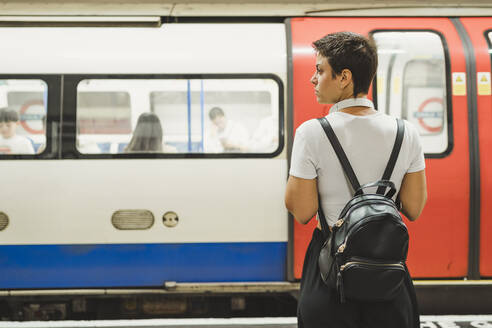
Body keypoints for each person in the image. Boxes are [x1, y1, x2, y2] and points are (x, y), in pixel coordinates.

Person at [284, 32, 427, 328]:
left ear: (344, 77)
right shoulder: (405, 132)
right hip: (387, 272)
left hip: (331, 275)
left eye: (320, 70)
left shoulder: (311, 133)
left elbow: (301, 211)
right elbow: (413, 207)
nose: (313, 78)